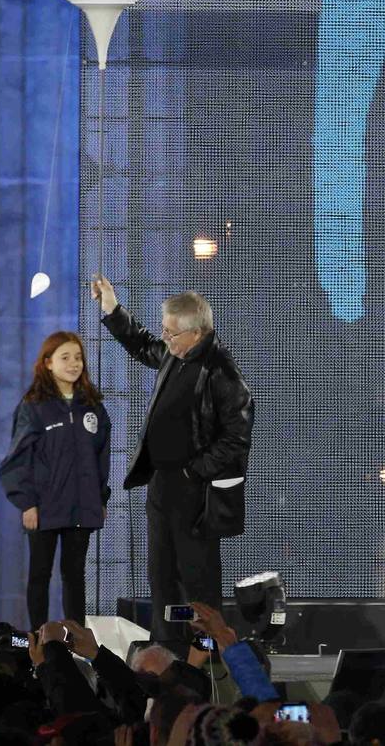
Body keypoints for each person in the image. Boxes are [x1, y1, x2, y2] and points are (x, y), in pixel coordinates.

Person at [91, 275, 254, 645]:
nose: (165, 338)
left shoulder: (222, 373)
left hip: (195, 491)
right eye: (165, 331)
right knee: (161, 573)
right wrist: (112, 309)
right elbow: (143, 344)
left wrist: (194, 471)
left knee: (196, 576)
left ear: (197, 333)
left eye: (172, 333)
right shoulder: (175, 354)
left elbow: (236, 438)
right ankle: (167, 649)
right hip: (163, 483)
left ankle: (205, 653)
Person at [0, 332, 111, 628]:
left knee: (74, 575)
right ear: (48, 363)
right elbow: (18, 459)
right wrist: (27, 503)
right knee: (40, 574)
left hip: (82, 506)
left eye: (78, 357)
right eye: (65, 357)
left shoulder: (93, 406)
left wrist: (100, 498)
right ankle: (39, 643)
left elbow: (101, 457)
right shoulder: (34, 406)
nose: (74, 364)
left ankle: (76, 643)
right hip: (44, 507)